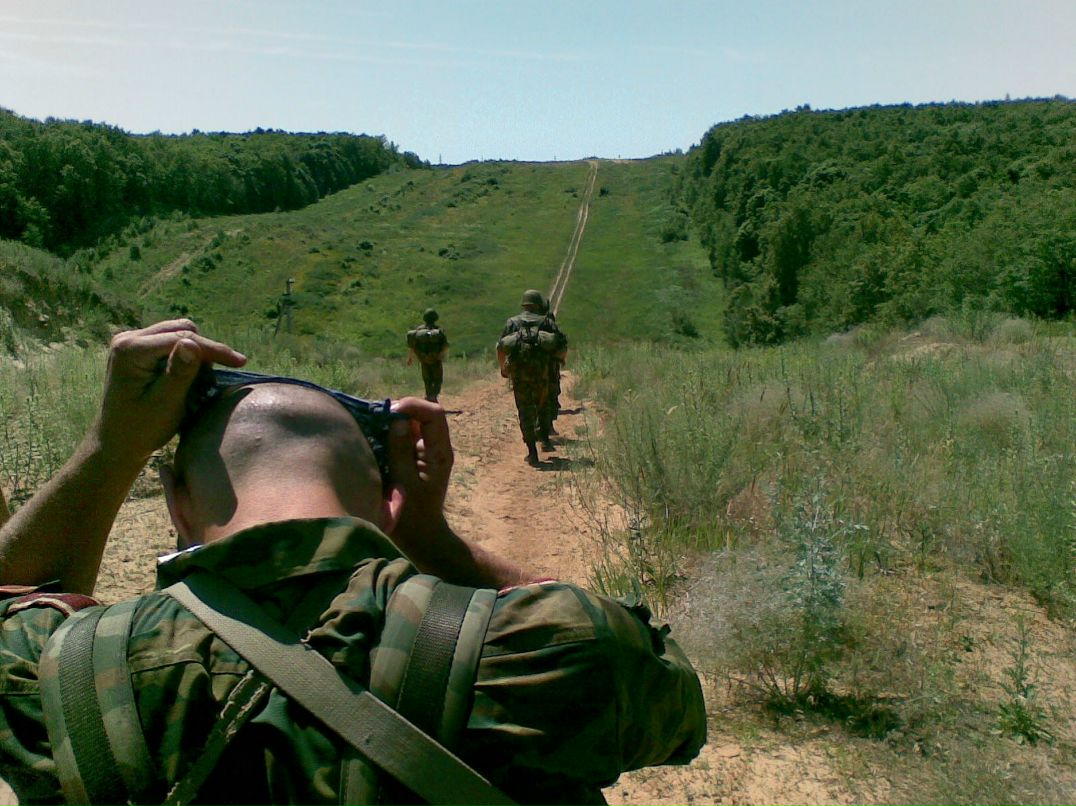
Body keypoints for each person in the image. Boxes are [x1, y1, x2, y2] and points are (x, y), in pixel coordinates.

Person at [0, 319, 705, 805]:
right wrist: (435, 543)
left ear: (174, 503)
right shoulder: (554, 647)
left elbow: (16, 591)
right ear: (386, 495)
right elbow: (678, 708)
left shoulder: (62, 676)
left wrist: (110, 446)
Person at [497, 290, 567, 466]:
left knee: (525, 411)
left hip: (520, 376)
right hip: (542, 375)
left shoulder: (512, 323)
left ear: (524, 304)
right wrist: (558, 361)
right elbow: (561, 345)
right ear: (538, 305)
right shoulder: (547, 322)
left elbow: (501, 346)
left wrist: (503, 369)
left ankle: (532, 452)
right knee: (543, 406)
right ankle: (545, 439)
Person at [538, 295, 567, 435]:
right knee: (549, 396)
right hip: (548, 367)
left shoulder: (520, 322)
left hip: (528, 369)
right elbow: (560, 343)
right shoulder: (549, 322)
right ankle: (546, 429)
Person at [406, 308, 449, 402]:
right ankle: (433, 396)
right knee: (438, 379)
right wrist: (441, 356)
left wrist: (410, 358)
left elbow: (413, 346)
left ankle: (429, 396)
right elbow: (445, 345)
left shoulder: (418, 330)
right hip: (435, 359)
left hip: (423, 359)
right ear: (435, 318)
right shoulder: (438, 330)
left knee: (427, 379)